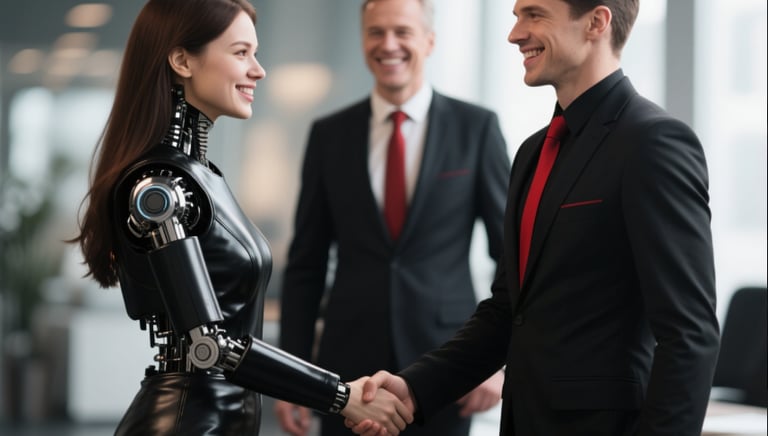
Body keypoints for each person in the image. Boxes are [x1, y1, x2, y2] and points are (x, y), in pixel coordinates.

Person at [351, 0, 721, 435]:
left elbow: (689, 335)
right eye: (515, 16)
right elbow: (509, 310)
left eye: (534, 14)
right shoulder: (532, 152)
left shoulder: (653, 142)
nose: (515, 33)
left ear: (596, 23)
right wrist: (415, 387)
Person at [69, 0, 413, 434]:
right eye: (240, 52)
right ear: (182, 60)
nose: (258, 70)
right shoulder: (159, 187)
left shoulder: (198, 176)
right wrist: (340, 396)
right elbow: (206, 346)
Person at [273, 0, 511, 435]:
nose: (388, 45)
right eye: (375, 32)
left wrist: (496, 363)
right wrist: (294, 378)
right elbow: (306, 264)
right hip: (346, 371)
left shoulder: (476, 128)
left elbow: (513, 257)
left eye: (402, 31)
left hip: (449, 371)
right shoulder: (329, 135)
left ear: (429, 40)